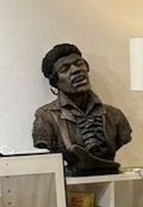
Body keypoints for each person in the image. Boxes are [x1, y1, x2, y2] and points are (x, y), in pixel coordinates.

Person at [32, 43, 131, 173]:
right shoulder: (46, 118)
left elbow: (123, 138)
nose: (76, 70)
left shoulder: (114, 115)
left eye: (79, 63)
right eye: (64, 69)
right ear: (55, 82)